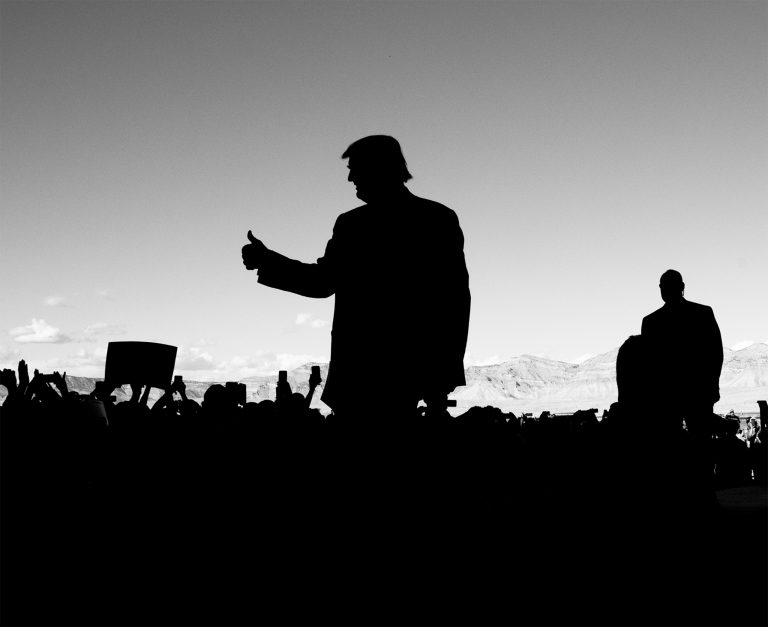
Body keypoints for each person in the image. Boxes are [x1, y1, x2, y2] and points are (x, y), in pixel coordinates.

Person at [241, 135, 470, 421]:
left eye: (355, 169)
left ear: (379, 168)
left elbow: (322, 282)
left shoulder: (355, 225)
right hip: (401, 378)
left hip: (366, 377)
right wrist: (442, 374)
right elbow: (456, 300)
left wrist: (268, 261)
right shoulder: (436, 218)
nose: (350, 178)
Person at [641, 269, 723, 509]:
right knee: (700, 446)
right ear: (683, 286)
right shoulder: (702, 313)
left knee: (671, 448)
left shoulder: (652, 322)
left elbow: (649, 364)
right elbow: (715, 354)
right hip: (695, 393)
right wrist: (711, 386)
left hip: (668, 397)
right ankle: (704, 497)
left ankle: (676, 499)